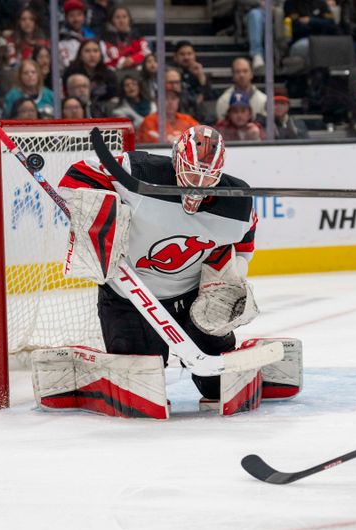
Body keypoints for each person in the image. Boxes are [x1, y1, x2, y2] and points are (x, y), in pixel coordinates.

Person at [57, 125, 259, 403]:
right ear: (176, 161)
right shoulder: (140, 170)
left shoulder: (237, 201)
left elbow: (244, 242)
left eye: (207, 177)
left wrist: (232, 275)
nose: (197, 185)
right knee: (140, 387)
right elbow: (75, 177)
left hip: (194, 299)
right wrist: (103, 214)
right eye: (190, 173)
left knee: (219, 388)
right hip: (129, 296)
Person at [63, 39, 118, 117]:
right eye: (87, 51)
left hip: (103, 112)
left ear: (101, 55)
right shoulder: (71, 72)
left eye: (95, 51)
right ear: (80, 55)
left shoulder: (108, 74)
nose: (92, 55)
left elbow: (113, 96)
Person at [100, 5, 151, 71]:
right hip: (115, 71)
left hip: (137, 68)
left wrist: (133, 59)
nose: (121, 20)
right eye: (117, 17)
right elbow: (111, 56)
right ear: (112, 20)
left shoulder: (136, 35)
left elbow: (146, 52)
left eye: (124, 17)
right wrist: (124, 61)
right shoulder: (106, 37)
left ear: (129, 19)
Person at [173, 41, 214, 112]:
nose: (186, 57)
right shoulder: (171, 74)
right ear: (175, 57)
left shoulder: (201, 74)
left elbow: (210, 98)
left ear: (194, 55)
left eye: (189, 54)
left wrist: (201, 78)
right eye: (182, 54)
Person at [58, 0, 94, 68]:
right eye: (72, 15)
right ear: (66, 18)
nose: (76, 19)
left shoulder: (92, 36)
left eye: (79, 14)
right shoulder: (61, 41)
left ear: (84, 17)